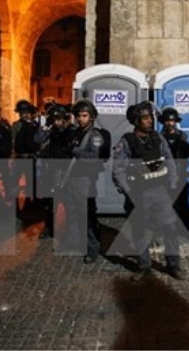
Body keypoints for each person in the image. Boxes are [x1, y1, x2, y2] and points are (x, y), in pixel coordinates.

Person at [112, 101, 186, 281]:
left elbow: (169, 159)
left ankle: (173, 265)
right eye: (145, 118)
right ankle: (144, 265)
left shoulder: (158, 138)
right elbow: (118, 169)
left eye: (150, 117)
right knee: (139, 230)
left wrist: (172, 181)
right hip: (139, 193)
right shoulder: (127, 142)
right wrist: (129, 191)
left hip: (160, 191)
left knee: (170, 227)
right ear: (136, 121)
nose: (149, 121)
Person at [60, 99, 106, 263]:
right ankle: (74, 242)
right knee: (72, 212)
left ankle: (92, 249)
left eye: (84, 115)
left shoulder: (95, 136)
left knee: (87, 215)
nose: (80, 119)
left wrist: (75, 152)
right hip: (72, 178)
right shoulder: (75, 133)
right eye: (78, 116)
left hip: (85, 180)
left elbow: (93, 158)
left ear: (91, 117)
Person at [34, 103, 73, 239]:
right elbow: (38, 139)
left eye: (59, 119)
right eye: (54, 119)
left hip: (66, 171)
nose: (57, 122)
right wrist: (47, 126)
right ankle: (49, 227)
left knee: (68, 202)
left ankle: (69, 230)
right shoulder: (50, 131)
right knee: (49, 202)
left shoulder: (71, 131)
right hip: (51, 170)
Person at [159, 107, 189, 231]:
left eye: (172, 121)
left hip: (181, 174)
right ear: (163, 122)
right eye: (167, 121)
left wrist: (183, 144)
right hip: (165, 175)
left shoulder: (182, 136)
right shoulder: (159, 137)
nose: (170, 123)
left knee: (183, 203)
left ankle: (185, 229)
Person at [10, 100, 40, 213]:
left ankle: (23, 205)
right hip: (26, 158)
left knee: (23, 183)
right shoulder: (32, 125)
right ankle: (27, 204)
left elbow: (12, 142)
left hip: (22, 158)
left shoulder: (17, 125)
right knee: (29, 182)